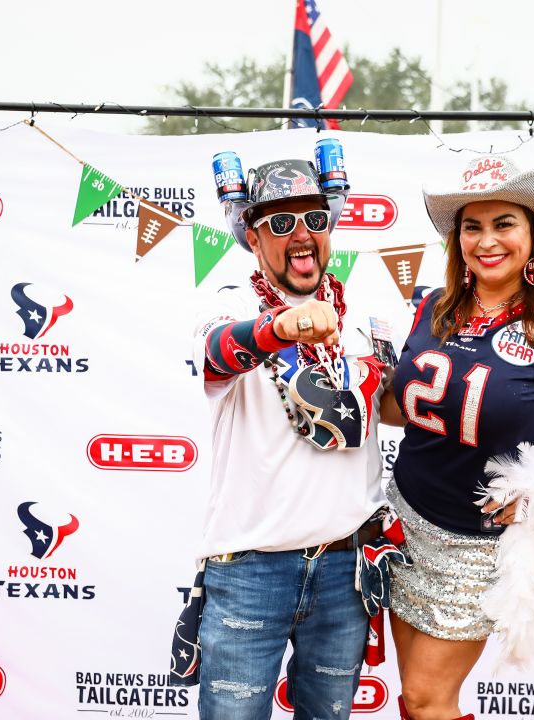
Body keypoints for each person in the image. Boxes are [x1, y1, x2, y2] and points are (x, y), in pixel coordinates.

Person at [379, 155, 534, 720]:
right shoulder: (434, 306)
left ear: (532, 235)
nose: (486, 240)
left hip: (476, 545)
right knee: (415, 698)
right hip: (402, 521)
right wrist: (361, 381)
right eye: (473, 225)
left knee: (427, 698)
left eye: (504, 224)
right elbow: (403, 413)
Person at [186, 154, 393, 719]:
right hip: (251, 570)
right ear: (254, 238)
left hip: (344, 572)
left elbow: (399, 408)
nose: (301, 235)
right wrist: (282, 327)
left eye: (314, 219)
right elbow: (216, 353)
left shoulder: (367, 315)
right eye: (280, 223)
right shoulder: (229, 302)